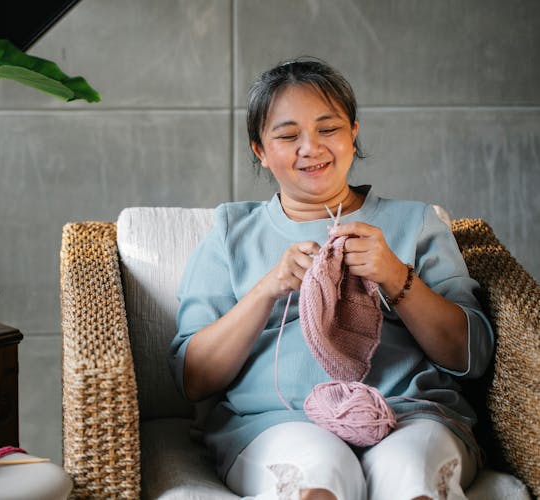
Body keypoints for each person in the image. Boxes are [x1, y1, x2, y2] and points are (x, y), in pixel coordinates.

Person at [168, 57, 494, 500]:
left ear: (353, 132)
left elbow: (471, 357)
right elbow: (194, 379)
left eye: (329, 129)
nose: (311, 147)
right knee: (318, 476)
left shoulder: (415, 222)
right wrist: (268, 288)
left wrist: (398, 278)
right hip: (279, 421)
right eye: (287, 135)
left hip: (411, 415)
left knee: (413, 480)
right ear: (260, 150)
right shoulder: (231, 233)